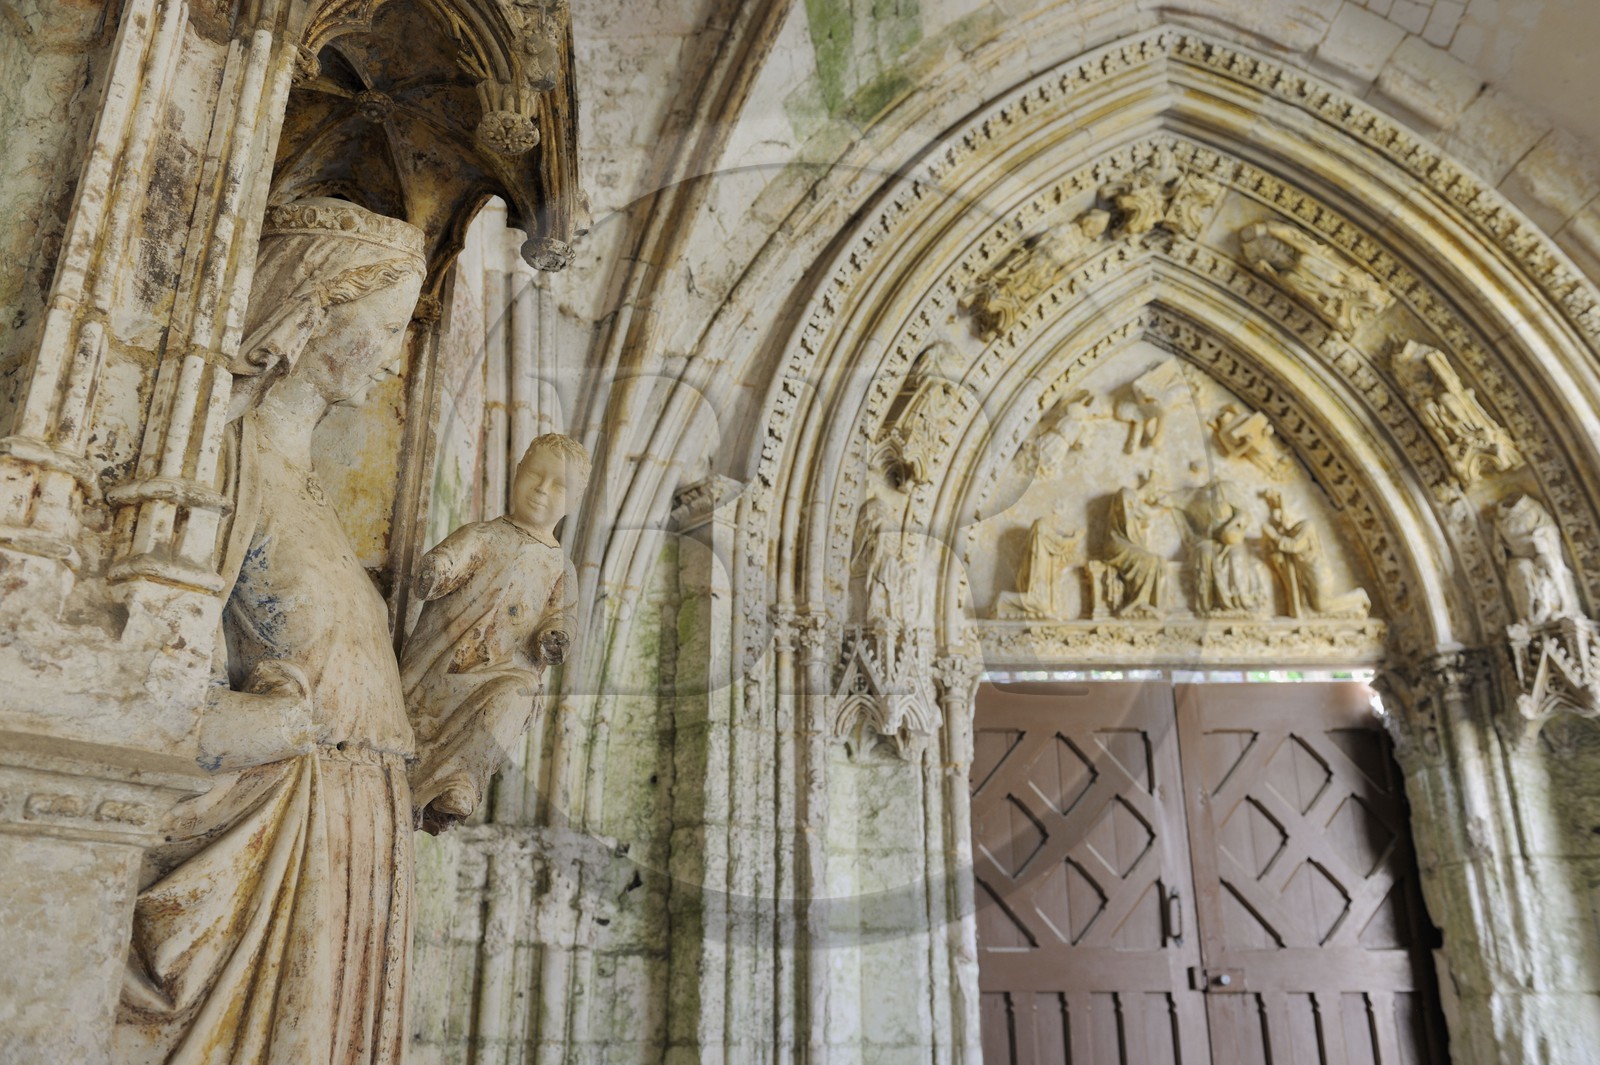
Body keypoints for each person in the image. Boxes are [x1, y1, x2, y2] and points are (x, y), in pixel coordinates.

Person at [118, 199, 426, 1065]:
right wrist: (280, 723)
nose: (394, 354)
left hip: (351, 835)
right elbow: (143, 692)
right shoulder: (225, 464)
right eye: (386, 326)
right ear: (313, 307)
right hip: (276, 843)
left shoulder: (314, 495)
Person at [401, 433, 588, 834]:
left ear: (574, 502)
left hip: (502, 673)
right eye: (535, 474)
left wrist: (554, 636)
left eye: (559, 486)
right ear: (517, 473)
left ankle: (460, 780)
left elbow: (562, 617)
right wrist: (437, 570)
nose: (542, 489)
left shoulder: (560, 568)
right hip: (443, 664)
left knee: (518, 697)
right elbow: (452, 560)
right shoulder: (485, 535)